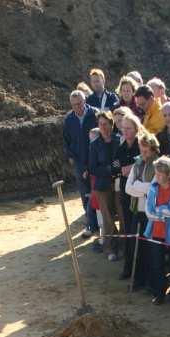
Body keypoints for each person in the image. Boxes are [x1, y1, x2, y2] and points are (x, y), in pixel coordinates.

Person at [144, 156, 170, 304]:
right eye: (157, 173)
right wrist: (165, 213)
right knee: (157, 264)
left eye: (161, 174)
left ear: (169, 174)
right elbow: (149, 212)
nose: (158, 177)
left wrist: (159, 211)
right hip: (156, 232)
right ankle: (159, 293)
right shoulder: (153, 188)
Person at [124, 131, 161, 288]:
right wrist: (140, 187)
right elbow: (127, 188)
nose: (143, 154)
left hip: (150, 213)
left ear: (153, 149)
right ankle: (138, 280)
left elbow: (152, 188)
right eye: (141, 150)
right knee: (136, 248)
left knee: (149, 250)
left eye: (146, 151)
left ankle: (150, 282)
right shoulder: (137, 163)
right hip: (136, 211)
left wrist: (137, 185)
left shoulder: (158, 164)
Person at [63, 90, 99, 238]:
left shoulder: (95, 114)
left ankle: (99, 224)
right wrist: (71, 156)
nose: (77, 107)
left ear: (85, 101)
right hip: (79, 162)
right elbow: (66, 140)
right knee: (85, 195)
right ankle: (91, 223)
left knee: (96, 193)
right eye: (74, 105)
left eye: (79, 103)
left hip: (95, 161)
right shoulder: (69, 119)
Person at [88, 110, 121, 261]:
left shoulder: (118, 140)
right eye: (100, 124)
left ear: (111, 124)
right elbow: (93, 167)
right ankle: (110, 249)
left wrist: (115, 168)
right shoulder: (94, 145)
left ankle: (126, 246)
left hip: (119, 184)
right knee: (107, 219)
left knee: (122, 215)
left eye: (106, 124)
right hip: (102, 186)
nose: (103, 127)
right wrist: (109, 169)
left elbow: (121, 162)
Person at [114, 111, 142, 275]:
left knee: (139, 231)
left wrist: (130, 168)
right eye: (123, 128)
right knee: (129, 230)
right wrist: (130, 167)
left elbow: (142, 164)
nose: (126, 131)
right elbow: (117, 168)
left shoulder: (141, 145)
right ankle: (129, 267)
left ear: (136, 129)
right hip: (126, 193)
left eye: (129, 128)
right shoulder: (121, 148)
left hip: (139, 194)